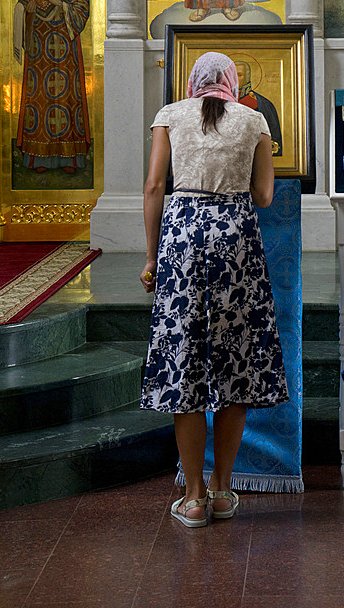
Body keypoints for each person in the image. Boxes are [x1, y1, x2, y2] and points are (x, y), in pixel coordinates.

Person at [140, 51, 288, 527]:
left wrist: (150, 258)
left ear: (193, 81)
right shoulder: (254, 119)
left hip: (182, 236)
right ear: (231, 82)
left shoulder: (169, 115)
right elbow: (264, 196)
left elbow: (152, 188)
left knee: (185, 362)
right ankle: (224, 489)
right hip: (235, 239)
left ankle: (195, 498)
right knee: (235, 361)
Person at [13, 0, 90, 174]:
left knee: (67, 95)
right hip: (38, 44)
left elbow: (81, 3)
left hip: (64, 41)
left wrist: (59, 1)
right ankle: (39, 157)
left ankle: (70, 157)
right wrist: (27, 7)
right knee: (39, 96)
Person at [236, 59, 283, 156]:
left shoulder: (262, 104)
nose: (235, 79)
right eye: (232, 75)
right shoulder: (220, 102)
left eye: (239, 75)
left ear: (247, 77)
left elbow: (273, 138)